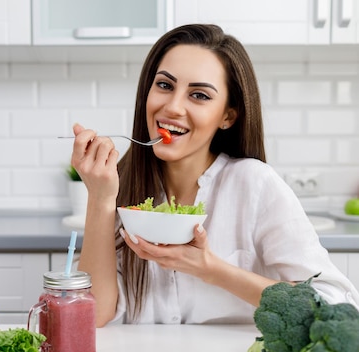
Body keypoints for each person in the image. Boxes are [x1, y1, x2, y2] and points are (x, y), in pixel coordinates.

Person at [69, 24, 359, 327]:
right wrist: (101, 200)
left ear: (227, 116)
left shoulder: (254, 184)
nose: (172, 107)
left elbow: (335, 307)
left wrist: (211, 269)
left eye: (199, 95)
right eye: (165, 86)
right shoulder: (121, 187)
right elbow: (91, 318)